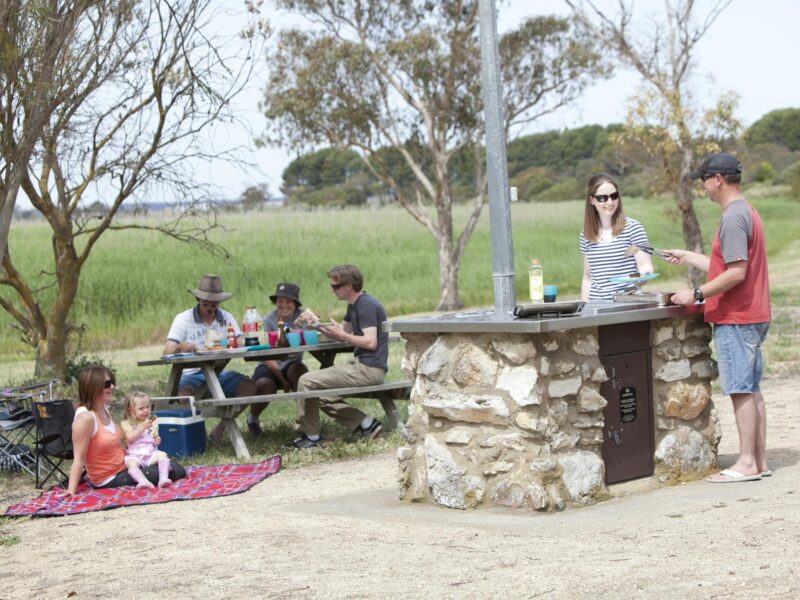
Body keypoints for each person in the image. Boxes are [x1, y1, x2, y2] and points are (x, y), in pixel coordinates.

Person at [666, 152, 771, 483]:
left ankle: (746, 464)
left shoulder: (732, 218)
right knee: (751, 389)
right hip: (753, 315)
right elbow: (726, 264)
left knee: (740, 389)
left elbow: (736, 273)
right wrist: (687, 256)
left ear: (718, 180)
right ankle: (758, 461)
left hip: (737, 318)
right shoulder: (746, 211)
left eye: (704, 181)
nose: (703, 187)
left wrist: (696, 294)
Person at [289, 264, 387, 449]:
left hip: (370, 369)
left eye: (335, 287)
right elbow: (342, 332)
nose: (332, 291)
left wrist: (342, 335)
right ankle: (367, 424)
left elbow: (370, 342)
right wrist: (316, 324)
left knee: (306, 381)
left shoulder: (365, 305)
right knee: (322, 395)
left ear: (349, 286)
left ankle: (310, 436)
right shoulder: (354, 305)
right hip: (363, 366)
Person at [163, 274, 257, 444]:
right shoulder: (183, 319)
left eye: (214, 303)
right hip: (191, 374)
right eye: (206, 303)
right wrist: (181, 346)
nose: (210, 307)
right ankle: (195, 438)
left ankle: (219, 431)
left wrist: (240, 341)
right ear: (198, 299)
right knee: (184, 397)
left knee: (249, 387)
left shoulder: (226, 318)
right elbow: (167, 351)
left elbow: (241, 340)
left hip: (219, 372)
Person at [64, 365, 185, 495]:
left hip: (125, 466)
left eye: (112, 383)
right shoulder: (85, 418)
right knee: (176, 470)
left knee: (166, 462)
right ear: (93, 386)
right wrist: (71, 491)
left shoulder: (103, 409)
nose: (112, 387)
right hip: (109, 478)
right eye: (107, 384)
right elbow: (79, 458)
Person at [246, 282, 309, 435]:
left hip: (293, 363)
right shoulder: (267, 321)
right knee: (264, 384)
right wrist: (282, 380)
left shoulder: (303, 318)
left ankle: (306, 421)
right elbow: (265, 355)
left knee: (300, 373)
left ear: (295, 303)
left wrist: (309, 324)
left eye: (288, 301)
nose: (283, 305)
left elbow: (314, 336)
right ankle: (252, 418)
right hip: (270, 365)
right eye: (280, 301)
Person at [579, 173, 655, 301]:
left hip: (626, 305)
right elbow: (588, 278)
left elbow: (645, 266)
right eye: (603, 198)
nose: (610, 202)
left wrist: (644, 276)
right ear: (592, 200)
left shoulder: (633, 228)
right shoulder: (586, 234)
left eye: (614, 196)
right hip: (596, 308)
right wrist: (584, 309)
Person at [120, 391, 172, 489]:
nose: (145, 410)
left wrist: (156, 440)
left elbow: (153, 438)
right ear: (130, 410)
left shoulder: (151, 422)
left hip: (150, 454)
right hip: (135, 455)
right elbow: (130, 438)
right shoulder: (126, 423)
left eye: (148, 407)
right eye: (141, 408)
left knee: (162, 455)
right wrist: (142, 427)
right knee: (130, 464)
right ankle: (143, 482)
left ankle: (163, 479)